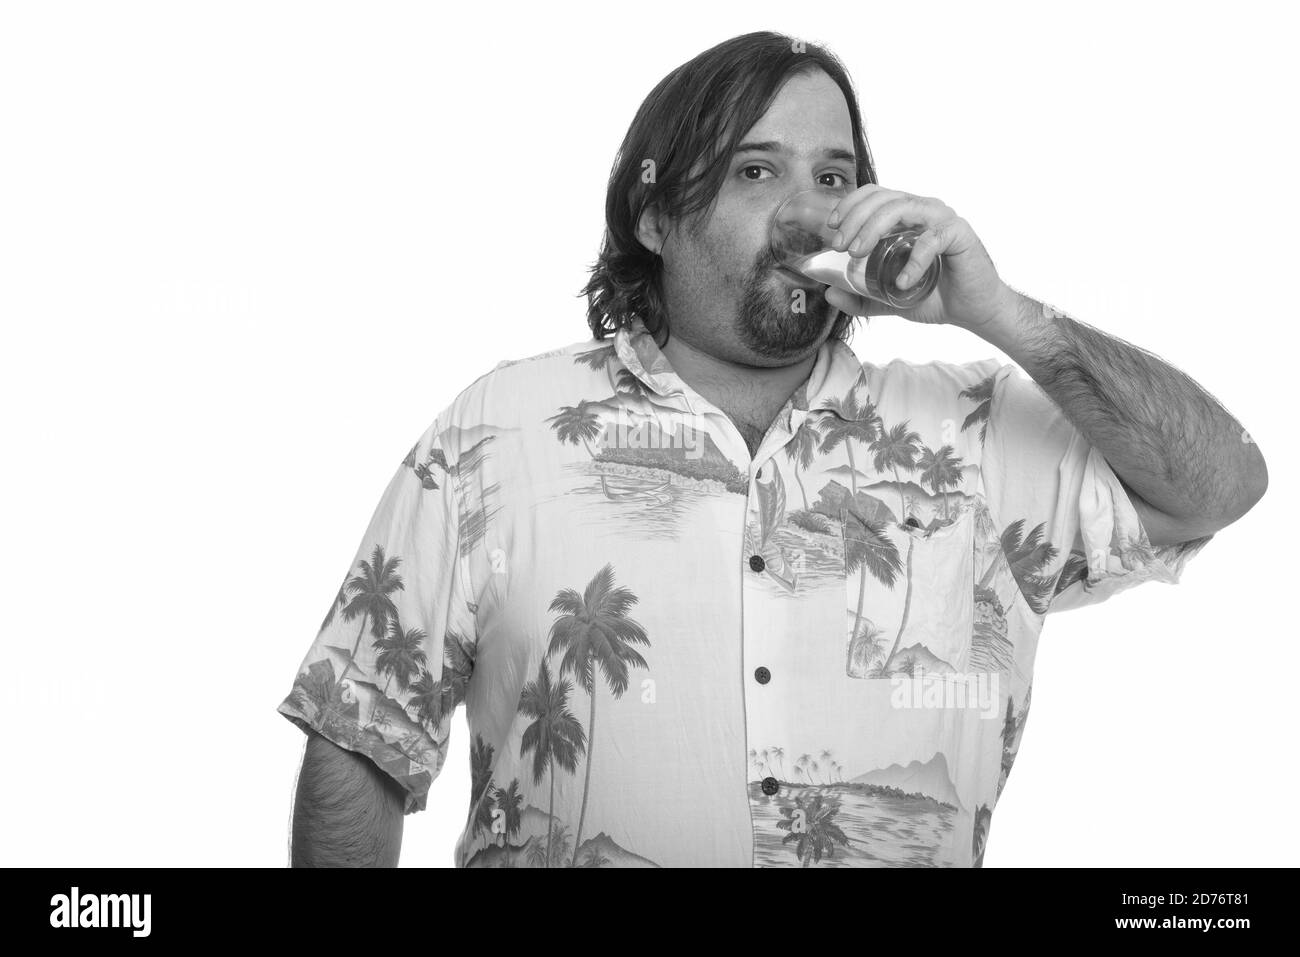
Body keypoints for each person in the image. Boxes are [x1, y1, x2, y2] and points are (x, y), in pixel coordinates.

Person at [275, 31, 1266, 868]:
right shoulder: (497, 430)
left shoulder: (977, 435)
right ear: (655, 215)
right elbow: (361, 740)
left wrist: (997, 314)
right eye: (758, 171)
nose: (807, 211)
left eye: (832, 177)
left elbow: (1217, 485)